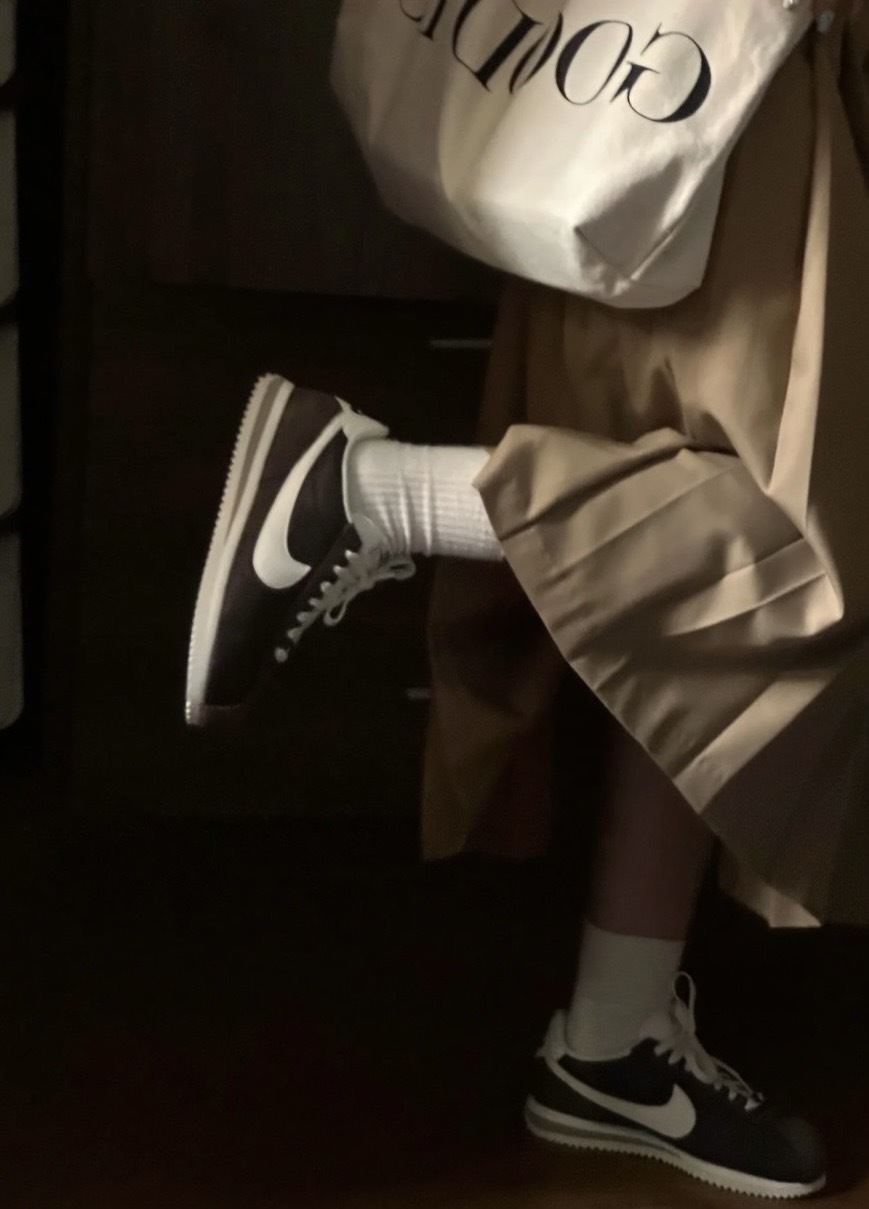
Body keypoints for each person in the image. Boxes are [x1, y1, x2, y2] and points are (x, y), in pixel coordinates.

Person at [185, 1, 868, 1198]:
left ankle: (612, 1039)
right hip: (734, 92)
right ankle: (367, 495)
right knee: (792, 564)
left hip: (667, 95)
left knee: (674, 553)